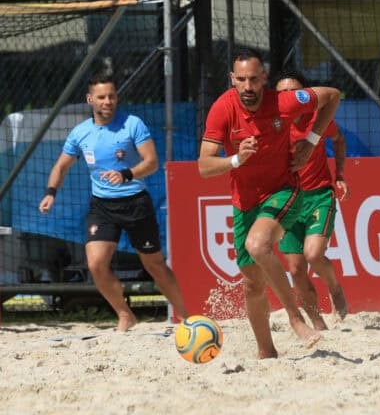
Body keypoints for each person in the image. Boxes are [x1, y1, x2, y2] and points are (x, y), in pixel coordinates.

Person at [197, 49, 340, 357]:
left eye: (253, 79)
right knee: (251, 285)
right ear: (232, 79)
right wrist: (236, 158)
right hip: (244, 202)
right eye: (241, 80)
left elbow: (332, 95)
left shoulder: (283, 101)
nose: (248, 87)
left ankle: (295, 318)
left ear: (263, 79)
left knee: (258, 245)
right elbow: (204, 166)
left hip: (284, 191)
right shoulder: (223, 108)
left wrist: (312, 140)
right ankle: (267, 352)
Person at [38, 70, 188, 331]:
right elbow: (61, 166)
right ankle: (124, 314)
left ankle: (186, 316)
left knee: (154, 265)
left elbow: (151, 162)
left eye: (112, 96)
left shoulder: (132, 124)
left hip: (135, 203)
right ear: (90, 100)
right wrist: (51, 193)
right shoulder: (80, 133)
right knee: (96, 264)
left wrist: (126, 174)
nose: (107, 101)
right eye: (101, 97)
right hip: (102, 206)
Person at [274, 72, 349, 331]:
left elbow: (339, 140)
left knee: (314, 254)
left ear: (305, 95)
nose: (288, 98)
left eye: (294, 92)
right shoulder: (272, 124)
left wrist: (339, 175)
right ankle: (318, 324)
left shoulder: (317, 119)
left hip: (318, 195)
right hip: (288, 200)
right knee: (296, 270)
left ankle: (335, 288)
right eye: (282, 93)